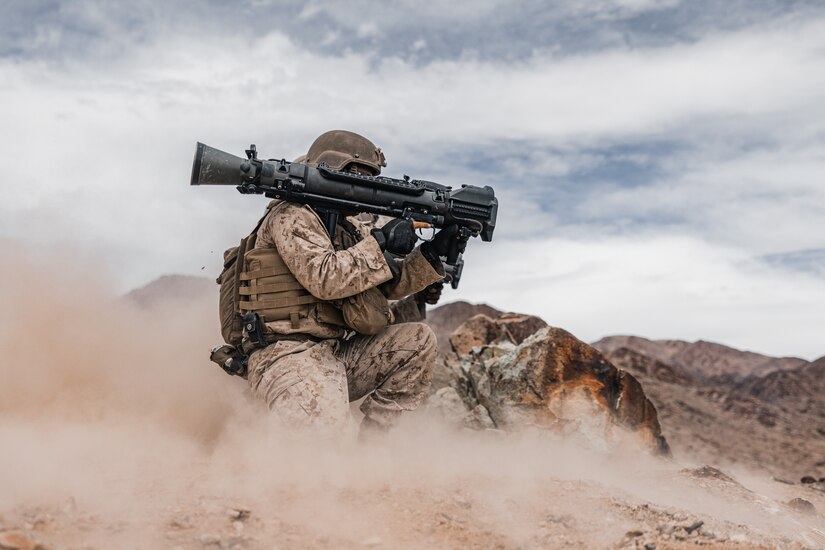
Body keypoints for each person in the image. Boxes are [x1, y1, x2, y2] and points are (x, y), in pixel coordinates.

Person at [239, 130, 452, 438]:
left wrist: (430, 255)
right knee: (329, 451)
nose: (370, 189)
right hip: (284, 355)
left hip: (337, 352)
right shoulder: (291, 215)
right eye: (360, 178)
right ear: (334, 170)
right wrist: (381, 242)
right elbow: (326, 278)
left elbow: (384, 285)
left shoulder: (346, 227)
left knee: (418, 341)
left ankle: (373, 444)